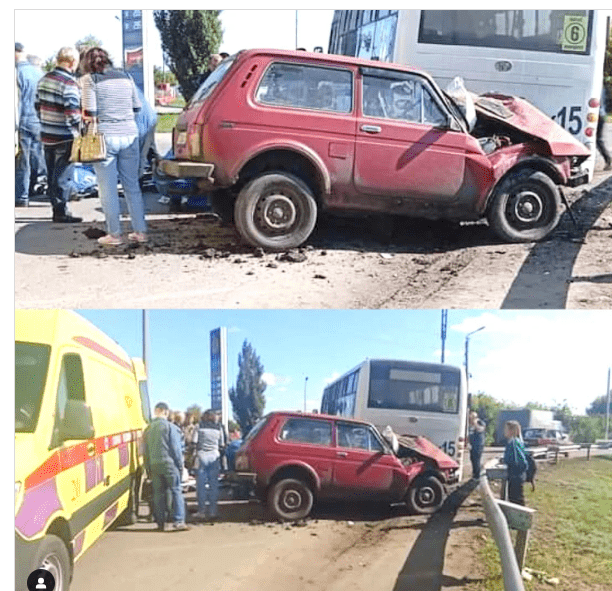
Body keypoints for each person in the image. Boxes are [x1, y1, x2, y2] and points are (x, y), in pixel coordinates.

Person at [80, 46, 148, 246]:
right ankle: (140, 231)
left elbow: (90, 112)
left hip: (105, 138)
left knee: (107, 188)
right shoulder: (126, 77)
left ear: (86, 64)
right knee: (132, 186)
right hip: (130, 134)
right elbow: (137, 106)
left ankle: (114, 234)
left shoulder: (89, 80)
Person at [35, 46, 82, 223]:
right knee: (63, 175)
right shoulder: (69, 82)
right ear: (72, 62)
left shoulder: (43, 80)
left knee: (52, 173)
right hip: (64, 135)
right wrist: (80, 130)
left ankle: (56, 207)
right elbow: (72, 111)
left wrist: (46, 121)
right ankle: (61, 212)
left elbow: (37, 105)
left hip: (47, 134)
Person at [142, 402, 190, 531]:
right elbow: (176, 449)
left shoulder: (148, 429)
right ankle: (179, 521)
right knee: (176, 490)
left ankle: (160, 523)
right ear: (165, 412)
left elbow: (145, 451)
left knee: (158, 494)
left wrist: (148, 469)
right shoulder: (170, 428)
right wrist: (180, 466)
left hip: (154, 464)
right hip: (169, 463)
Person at [15, 44, 45, 207]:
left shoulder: (16, 73)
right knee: (37, 157)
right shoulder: (38, 72)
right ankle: (35, 189)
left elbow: (16, 102)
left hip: (23, 120)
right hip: (38, 120)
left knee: (22, 160)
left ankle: (21, 196)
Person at [193, 409, 223, 521]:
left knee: (201, 486)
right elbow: (222, 444)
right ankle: (213, 511)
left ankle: (201, 511)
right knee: (213, 486)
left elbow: (193, 442)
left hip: (201, 456)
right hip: (214, 456)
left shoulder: (198, 426)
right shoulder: (220, 428)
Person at [133, 84, 158, 180]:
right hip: (149, 118)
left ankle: (137, 181)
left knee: (139, 154)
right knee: (148, 149)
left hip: (141, 123)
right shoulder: (129, 84)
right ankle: (158, 170)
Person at [503, 420, 528, 506]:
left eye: (506, 429)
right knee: (514, 497)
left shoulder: (514, 443)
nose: (504, 431)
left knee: (516, 498)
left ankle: (522, 517)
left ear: (511, 431)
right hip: (516, 473)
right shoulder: (515, 441)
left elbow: (519, 460)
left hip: (516, 474)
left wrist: (507, 461)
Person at [596, 85, 611, 171]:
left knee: (598, 140)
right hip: (601, 115)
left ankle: (608, 160)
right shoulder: (602, 87)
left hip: (599, 115)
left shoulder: (598, 88)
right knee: (597, 140)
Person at [468, 411, 486, 479]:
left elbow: (481, 429)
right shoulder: (470, 425)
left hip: (478, 445)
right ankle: (474, 473)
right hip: (472, 445)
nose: (471, 420)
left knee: (476, 460)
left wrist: (475, 423)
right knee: (472, 459)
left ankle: (477, 475)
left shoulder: (480, 422)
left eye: (472, 418)